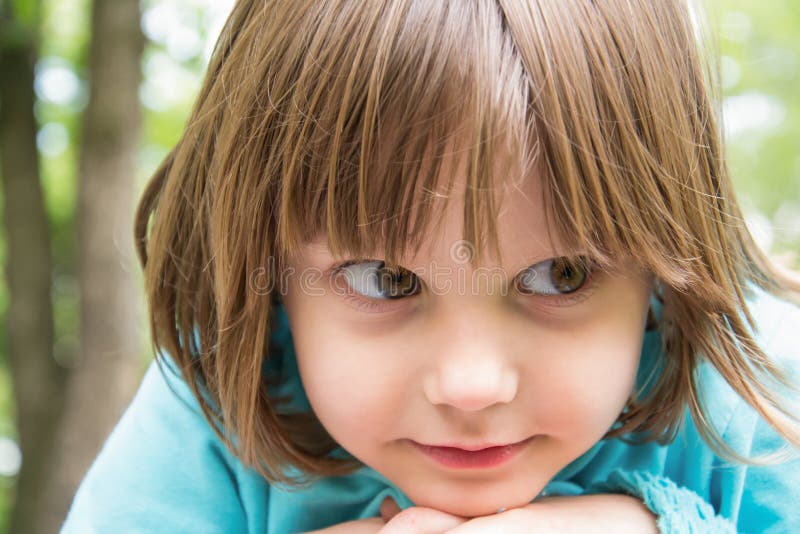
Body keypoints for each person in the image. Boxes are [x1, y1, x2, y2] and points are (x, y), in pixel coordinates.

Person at [63, 0, 800, 532]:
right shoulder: (223, 394)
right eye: (387, 280)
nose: (471, 386)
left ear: (660, 268)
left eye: (561, 276)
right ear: (271, 266)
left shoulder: (753, 392)